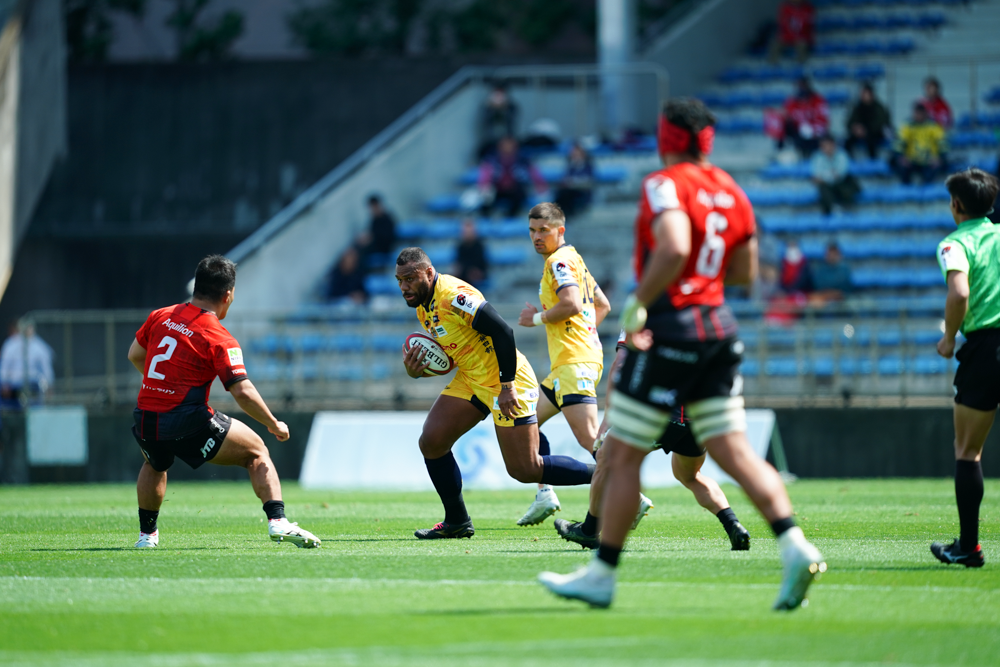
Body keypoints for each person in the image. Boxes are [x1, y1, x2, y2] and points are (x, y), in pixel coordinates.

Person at [537, 98, 824, 611]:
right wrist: (702, 278)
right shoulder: (731, 189)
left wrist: (641, 302)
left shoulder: (664, 184)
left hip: (670, 329)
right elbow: (744, 271)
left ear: (667, 138)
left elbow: (672, 247)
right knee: (736, 452)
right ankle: (795, 545)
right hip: (718, 329)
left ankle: (602, 573)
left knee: (621, 454)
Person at [395, 247, 594, 539]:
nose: (404, 287)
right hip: (472, 379)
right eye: (400, 280)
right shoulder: (424, 304)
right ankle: (457, 521)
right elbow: (455, 352)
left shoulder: (453, 296)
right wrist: (418, 371)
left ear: (428, 273)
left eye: (410, 279)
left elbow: (502, 332)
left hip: (508, 380)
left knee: (525, 469)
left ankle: (605, 474)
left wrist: (507, 385)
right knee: (432, 441)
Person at [127, 255, 320, 549]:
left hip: (145, 417)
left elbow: (134, 355)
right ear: (228, 295)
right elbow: (242, 392)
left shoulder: (160, 316)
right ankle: (278, 520)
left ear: (197, 287)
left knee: (155, 464)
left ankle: (147, 537)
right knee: (256, 451)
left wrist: (166, 386)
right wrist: (273, 423)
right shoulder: (218, 337)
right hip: (187, 421)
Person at [553, 328, 751, 552]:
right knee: (690, 475)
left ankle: (589, 531)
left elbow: (620, 364)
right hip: (695, 414)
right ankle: (733, 524)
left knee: (606, 459)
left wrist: (609, 415)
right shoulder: (699, 319)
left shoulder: (645, 314)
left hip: (660, 410)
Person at [515, 202, 614, 526]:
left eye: (543, 230)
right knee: (527, 422)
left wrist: (537, 318)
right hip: (569, 363)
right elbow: (602, 305)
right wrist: (584, 335)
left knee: (589, 438)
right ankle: (545, 492)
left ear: (561, 230)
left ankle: (627, 492)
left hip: (574, 363)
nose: (537, 236)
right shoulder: (574, 259)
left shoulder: (558, 262)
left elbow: (571, 303)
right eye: (532, 230)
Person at [931, 167, 1000, 568]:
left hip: (987, 348)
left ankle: (969, 548)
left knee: (968, 451)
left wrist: (948, 338)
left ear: (956, 205)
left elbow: (959, 292)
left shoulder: (954, 243)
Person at [478, 136, 547, 218]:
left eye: (510, 145)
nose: (508, 148)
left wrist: (540, 185)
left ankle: (512, 217)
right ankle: (486, 218)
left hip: (515, 189)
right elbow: (485, 176)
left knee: (520, 196)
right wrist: (484, 187)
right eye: (505, 145)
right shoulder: (492, 160)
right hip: (497, 189)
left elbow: (534, 174)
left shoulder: (523, 160)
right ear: (499, 146)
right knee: (486, 197)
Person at [0, 321, 54, 409]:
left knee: (35, 404)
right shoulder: (11, 344)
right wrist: (4, 383)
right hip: (14, 384)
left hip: (33, 384)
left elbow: (46, 369)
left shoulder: (40, 347)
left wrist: (49, 385)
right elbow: (5, 366)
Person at [894, 103, 947, 185]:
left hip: (929, 161)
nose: (918, 116)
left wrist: (940, 158)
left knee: (936, 168)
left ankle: (928, 188)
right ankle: (906, 189)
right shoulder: (907, 126)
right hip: (911, 161)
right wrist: (900, 157)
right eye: (916, 113)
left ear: (925, 114)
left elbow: (942, 143)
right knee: (900, 166)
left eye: (920, 113)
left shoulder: (934, 126)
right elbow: (899, 143)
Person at [811, 135, 860, 216]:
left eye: (826, 145)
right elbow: (816, 177)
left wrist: (825, 176)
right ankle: (833, 209)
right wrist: (830, 175)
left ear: (833, 145)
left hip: (841, 185)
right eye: (822, 146)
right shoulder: (817, 157)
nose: (824, 148)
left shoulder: (842, 155)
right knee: (822, 188)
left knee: (843, 186)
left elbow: (840, 174)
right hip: (828, 186)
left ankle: (843, 210)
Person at [781, 78, 829, 157]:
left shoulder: (818, 100)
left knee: (821, 139)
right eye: (800, 86)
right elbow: (786, 117)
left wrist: (813, 130)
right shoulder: (792, 101)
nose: (802, 89)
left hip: (816, 134)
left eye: (804, 86)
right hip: (798, 134)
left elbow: (823, 120)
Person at [845, 82, 892, 159]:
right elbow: (850, 122)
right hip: (860, 132)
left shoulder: (879, 107)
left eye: (865, 93)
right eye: (862, 93)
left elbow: (880, 123)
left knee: (871, 140)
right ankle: (850, 160)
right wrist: (855, 128)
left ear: (871, 94)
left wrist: (865, 130)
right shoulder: (858, 107)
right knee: (848, 142)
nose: (863, 95)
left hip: (875, 133)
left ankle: (873, 161)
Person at [479, 82, 518, 158]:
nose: (499, 97)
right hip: (491, 140)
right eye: (496, 94)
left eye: (501, 94)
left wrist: (505, 108)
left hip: (507, 138)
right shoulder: (487, 107)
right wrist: (491, 109)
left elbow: (512, 121)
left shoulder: (511, 107)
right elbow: (485, 123)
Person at [807, 242, 853, 306]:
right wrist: (826, 295)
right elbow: (818, 285)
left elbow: (844, 287)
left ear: (839, 255)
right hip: (822, 300)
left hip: (842, 300)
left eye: (834, 253)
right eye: (829, 253)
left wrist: (831, 294)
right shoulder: (820, 270)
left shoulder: (845, 269)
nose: (832, 256)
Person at [555, 144, 595, 217]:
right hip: (570, 191)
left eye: (577, 154)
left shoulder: (588, 166)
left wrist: (574, 182)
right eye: (573, 154)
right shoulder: (570, 167)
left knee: (568, 196)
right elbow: (565, 179)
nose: (575, 156)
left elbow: (588, 180)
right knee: (561, 193)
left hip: (582, 192)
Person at [454, 219, 489, 287]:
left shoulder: (480, 246)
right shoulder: (460, 247)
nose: (468, 234)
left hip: (478, 273)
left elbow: (483, 264)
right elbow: (459, 263)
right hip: (464, 274)